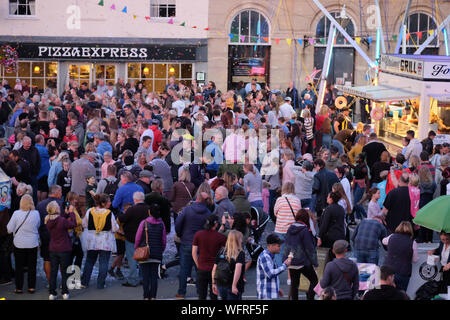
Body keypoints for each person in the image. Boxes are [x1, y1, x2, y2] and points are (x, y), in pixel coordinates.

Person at [175, 182, 213, 299]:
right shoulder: (208, 212)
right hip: (201, 244)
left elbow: (178, 224)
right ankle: (200, 291)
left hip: (186, 241)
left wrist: (181, 235)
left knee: (184, 269)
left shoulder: (187, 210)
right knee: (200, 269)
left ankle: (181, 292)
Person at [81, 194, 119, 289]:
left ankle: (84, 282)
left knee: (89, 261)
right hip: (105, 240)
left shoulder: (90, 211)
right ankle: (100, 284)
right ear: (103, 203)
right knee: (104, 262)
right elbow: (114, 228)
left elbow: (84, 224)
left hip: (92, 240)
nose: (110, 203)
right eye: (109, 201)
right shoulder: (109, 213)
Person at [6, 194, 40, 294]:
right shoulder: (36, 213)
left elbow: (9, 229)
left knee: (19, 266)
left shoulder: (16, 214)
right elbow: (38, 226)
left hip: (19, 244)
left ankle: (19, 288)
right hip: (33, 243)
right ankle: (31, 287)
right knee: (32, 266)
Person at [283, 209, 318, 300]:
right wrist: (315, 263)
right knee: (314, 280)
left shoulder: (290, 228)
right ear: (306, 218)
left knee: (294, 285)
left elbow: (286, 245)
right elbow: (309, 249)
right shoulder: (304, 230)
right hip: (302, 261)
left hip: (291, 261)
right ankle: (310, 298)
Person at [45, 201, 77, 300]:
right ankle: (64, 292)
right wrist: (71, 213)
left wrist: (66, 213)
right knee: (64, 272)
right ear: (56, 209)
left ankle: (52, 293)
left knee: (53, 271)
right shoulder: (62, 221)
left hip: (53, 249)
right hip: (64, 249)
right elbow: (73, 224)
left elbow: (59, 219)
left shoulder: (48, 220)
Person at [135, 202, 167, 300]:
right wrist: (161, 250)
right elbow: (164, 240)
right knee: (154, 276)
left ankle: (146, 296)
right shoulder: (161, 224)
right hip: (157, 254)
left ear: (149, 212)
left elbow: (138, 238)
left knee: (145, 276)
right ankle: (153, 296)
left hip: (145, 253)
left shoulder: (144, 223)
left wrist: (137, 248)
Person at [118, 191, 151, 287]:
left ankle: (133, 280)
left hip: (131, 237)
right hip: (145, 237)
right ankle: (143, 278)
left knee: (132, 259)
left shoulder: (132, 209)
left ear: (135, 199)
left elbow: (122, 219)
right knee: (143, 258)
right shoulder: (148, 209)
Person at [193, 214, 227, 300]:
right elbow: (224, 253)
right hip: (215, 270)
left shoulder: (198, 234)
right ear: (216, 224)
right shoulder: (221, 237)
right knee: (214, 295)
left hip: (202, 268)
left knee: (201, 295)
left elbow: (194, 253)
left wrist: (198, 265)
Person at [36, 185, 64, 286]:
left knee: (47, 259)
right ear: (57, 192)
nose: (61, 194)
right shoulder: (61, 204)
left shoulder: (40, 205)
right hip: (60, 236)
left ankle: (50, 282)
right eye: (61, 192)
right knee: (62, 260)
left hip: (45, 235)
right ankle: (62, 283)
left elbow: (37, 222)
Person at [382, 221, 419, 291]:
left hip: (388, 271)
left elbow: (383, 241)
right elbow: (415, 260)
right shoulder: (413, 242)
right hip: (403, 273)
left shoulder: (391, 237)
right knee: (401, 294)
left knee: (387, 293)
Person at [212, 230, 246, 300]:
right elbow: (237, 270)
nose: (241, 241)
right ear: (236, 240)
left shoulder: (221, 251)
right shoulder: (239, 253)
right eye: (240, 238)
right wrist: (234, 285)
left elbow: (214, 269)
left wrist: (214, 283)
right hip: (233, 286)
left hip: (221, 284)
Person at [256, 233, 292, 300]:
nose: (280, 247)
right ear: (271, 246)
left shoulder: (270, 256)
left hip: (268, 293)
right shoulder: (265, 257)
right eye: (278, 246)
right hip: (265, 295)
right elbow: (271, 273)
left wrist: (277, 288)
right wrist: (285, 265)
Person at [273, 182, 301, 266]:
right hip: (293, 229)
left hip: (280, 229)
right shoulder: (297, 200)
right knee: (292, 251)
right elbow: (298, 215)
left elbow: (275, 213)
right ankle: (291, 272)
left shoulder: (279, 200)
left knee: (279, 250)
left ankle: (279, 270)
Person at [317, 191, 346, 265]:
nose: (327, 198)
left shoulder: (329, 209)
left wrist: (320, 236)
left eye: (328, 197)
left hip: (330, 237)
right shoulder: (341, 208)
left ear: (331, 199)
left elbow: (324, 224)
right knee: (338, 257)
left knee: (329, 258)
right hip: (340, 235)